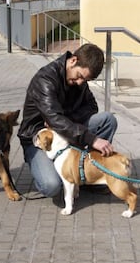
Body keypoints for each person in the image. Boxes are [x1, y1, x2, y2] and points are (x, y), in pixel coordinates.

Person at [18, 43, 118, 198]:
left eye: (85, 80)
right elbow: (55, 119)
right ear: (73, 61)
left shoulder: (79, 80)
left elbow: (92, 106)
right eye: (79, 76)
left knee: (107, 120)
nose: (80, 83)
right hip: (38, 137)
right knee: (51, 186)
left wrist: (68, 119)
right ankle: (48, 166)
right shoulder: (45, 79)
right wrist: (91, 139)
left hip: (66, 130)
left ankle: (90, 174)